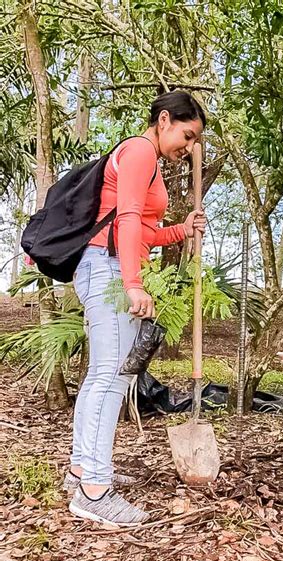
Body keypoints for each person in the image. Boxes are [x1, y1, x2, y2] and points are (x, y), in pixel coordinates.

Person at [63, 91, 207, 526]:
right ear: (164, 120)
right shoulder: (141, 150)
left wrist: (181, 230)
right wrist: (132, 283)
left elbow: (142, 232)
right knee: (110, 379)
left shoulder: (145, 158)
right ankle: (95, 490)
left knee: (103, 377)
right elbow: (126, 219)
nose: (189, 146)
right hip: (109, 271)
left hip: (106, 265)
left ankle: (81, 471)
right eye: (187, 134)